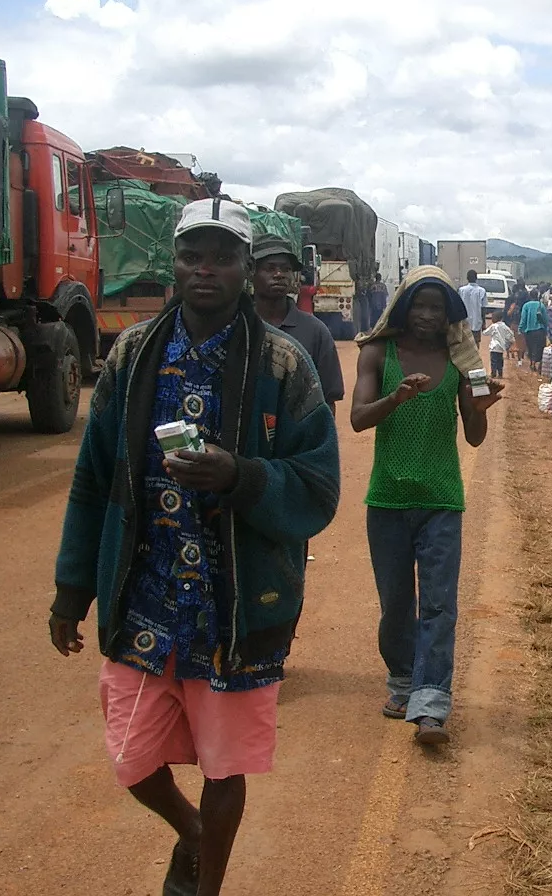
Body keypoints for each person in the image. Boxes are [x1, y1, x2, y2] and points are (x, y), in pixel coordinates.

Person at [49, 197, 341, 896]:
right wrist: (71, 588)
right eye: (192, 256)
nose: (206, 270)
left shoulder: (284, 363)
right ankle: (193, 832)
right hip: (143, 595)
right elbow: (93, 478)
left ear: (247, 268)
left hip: (234, 604)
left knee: (225, 765)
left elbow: (319, 486)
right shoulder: (131, 353)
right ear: (173, 264)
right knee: (131, 757)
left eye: (223, 257)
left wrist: (241, 476)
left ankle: (205, 885)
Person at [350, 266, 503, 745]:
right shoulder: (378, 353)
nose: (428, 315)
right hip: (387, 500)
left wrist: (477, 411)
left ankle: (431, 703)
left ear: (450, 313)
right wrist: (397, 397)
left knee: (439, 605)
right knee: (397, 604)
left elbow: (474, 438)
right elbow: (358, 419)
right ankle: (402, 681)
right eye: (419, 304)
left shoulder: (462, 361)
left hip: (441, 500)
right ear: (403, 306)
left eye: (438, 307)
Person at [252, 233, 345, 421]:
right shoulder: (237, 326)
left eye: (286, 269)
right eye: (270, 268)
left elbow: (328, 401)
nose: (279, 274)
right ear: (251, 272)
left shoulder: (316, 332)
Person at [519, 289, 549, 368]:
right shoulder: (541, 305)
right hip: (540, 330)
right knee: (538, 347)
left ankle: (532, 361)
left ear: (530, 296)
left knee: (530, 347)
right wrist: (546, 330)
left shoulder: (526, 305)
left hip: (529, 331)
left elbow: (523, 319)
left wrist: (521, 328)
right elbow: (545, 319)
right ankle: (535, 362)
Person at [458, 269, 487, 346]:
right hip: (476, 322)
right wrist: (484, 323)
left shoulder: (461, 290)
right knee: (476, 343)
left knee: (464, 343)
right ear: (476, 278)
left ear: (467, 278)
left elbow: (458, 307)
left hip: (464, 322)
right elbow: (483, 308)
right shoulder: (482, 291)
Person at [483, 311, 515, 378]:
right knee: (500, 361)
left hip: (494, 347)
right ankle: (500, 374)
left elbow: (485, 333)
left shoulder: (493, 326)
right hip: (501, 347)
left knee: (493, 361)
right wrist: (510, 341)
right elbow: (511, 334)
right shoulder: (504, 326)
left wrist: (483, 329)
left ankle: (493, 374)